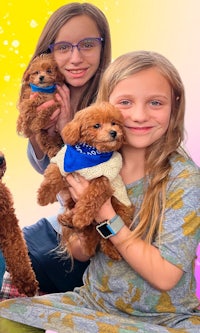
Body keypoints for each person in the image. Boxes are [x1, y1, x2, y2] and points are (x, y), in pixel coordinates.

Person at [0, 50, 200, 333]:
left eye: (155, 102)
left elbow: (166, 277)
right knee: (9, 316)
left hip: (163, 318)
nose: (139, 115)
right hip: (94, 304)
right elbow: (80, 252)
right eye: (125, 103)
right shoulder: (94, 161)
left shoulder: (184, 178)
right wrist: (79, 217)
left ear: (174, 106)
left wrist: (106, 214)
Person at [10, 2, 111, 294]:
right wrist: (42, 132)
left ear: (103, 48)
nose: (76, 57)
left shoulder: (113, 104)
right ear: (48, 53)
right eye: (63, 47)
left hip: (90, 239)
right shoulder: (48, 94)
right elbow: (46, 168)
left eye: (88, 44)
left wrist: (69, 133)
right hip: (58, 227)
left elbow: (94, 184)